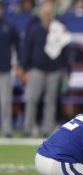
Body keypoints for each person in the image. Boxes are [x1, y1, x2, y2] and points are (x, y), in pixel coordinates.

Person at [21, 1, 71, 137]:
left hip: (55, 70)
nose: (47, 15)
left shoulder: (59, 27)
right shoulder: (34, 28)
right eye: (45, 13)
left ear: (53, 14)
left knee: (51, 101)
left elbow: (65, 50)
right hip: (36, 69)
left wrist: (67, 71)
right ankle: (28, 128)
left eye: (50, 13)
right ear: (40, 13)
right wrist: (23, 69)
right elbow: (26, 49)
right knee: (31, 99)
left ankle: (46, 130)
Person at [0, 0, 20, 138]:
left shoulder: (9, 26)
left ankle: (7, 129)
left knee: (5, 101)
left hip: (4, 70)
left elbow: (17, 46)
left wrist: (18, 65)